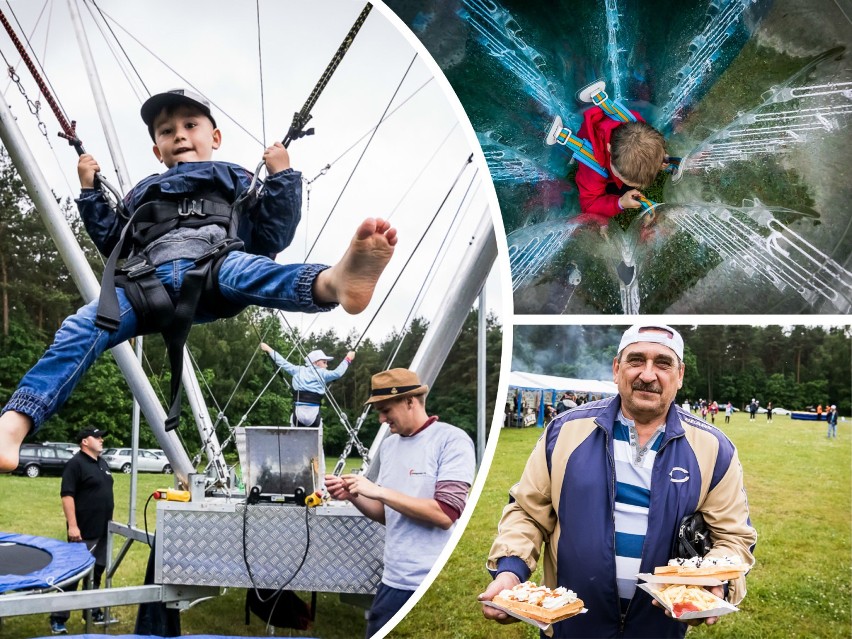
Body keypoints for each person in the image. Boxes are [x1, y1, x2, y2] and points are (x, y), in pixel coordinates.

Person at [0, 89, 397, 472]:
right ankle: (15, 423)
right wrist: (90, 192)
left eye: (190, 125)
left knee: (259, 273)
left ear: (215, 137)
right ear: (157, 149)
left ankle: (334, 283)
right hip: (144, 283)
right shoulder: (142, 192)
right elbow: (113, 241)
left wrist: (283, 175)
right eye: (167, 132)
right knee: (79, 328)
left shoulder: (235, 176)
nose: (180, 136)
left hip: (216, 264)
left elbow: (274, 233)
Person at [479, 324, 756, 638]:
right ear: (616, 369)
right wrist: (511, 571)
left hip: (659, 629)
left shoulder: (714, 448)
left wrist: (711, 583)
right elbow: (527, 512)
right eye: (636, 360)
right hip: (572, 625)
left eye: (663, 364)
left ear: (679, 375)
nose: (648, 375)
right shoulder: (565, 432)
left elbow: (734, 538)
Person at [324, 369, 475, 638]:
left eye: (385, 410)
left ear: (410, 401)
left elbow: (446, 514)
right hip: (392, 581)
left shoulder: (451, 440)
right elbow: (387, 515)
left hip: (429, 583)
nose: (381, 419)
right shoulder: (389, 447)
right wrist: (354, 497)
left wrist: (379, 491)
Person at [49, 428, 116, 634]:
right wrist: (73, 525)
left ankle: (91, 610)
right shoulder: (75, 464)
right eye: (97, 437)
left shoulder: (102, 464)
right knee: (74, 575)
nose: (101, 439)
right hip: (83, 531)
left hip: (104, 529)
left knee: (97, 571)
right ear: (85, 442)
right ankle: (58, 618)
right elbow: (67, 495)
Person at [575, 106, 668, 224]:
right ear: (609, 149)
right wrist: (620, 203)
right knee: (618, 190)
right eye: (623, 178)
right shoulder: (592, 168)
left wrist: (658, 160)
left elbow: (650, 148)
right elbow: (588, 204)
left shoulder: (640, 132)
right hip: (592, 155)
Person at [260, 343, 354, 427]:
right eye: (324, 362)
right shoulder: (323, 374)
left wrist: (269, 350)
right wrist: (348, 358)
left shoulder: (298, 370)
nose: (326, 366)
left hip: (297, 415)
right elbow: (337, 373)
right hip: (314, 415)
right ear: (316, 362)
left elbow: (282, 362)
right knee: (317, 438)